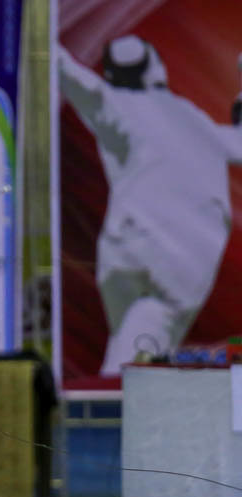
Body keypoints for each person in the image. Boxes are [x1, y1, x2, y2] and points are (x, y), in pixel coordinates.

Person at [59, 37, 242, 376]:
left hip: (126, 252)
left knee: (138, 339)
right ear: (156, 66)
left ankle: (120, 405)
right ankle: (116, 417)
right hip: (177, 264)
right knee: (140, 348)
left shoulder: (113, 104)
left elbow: (69, 73)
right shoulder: (191, 120)